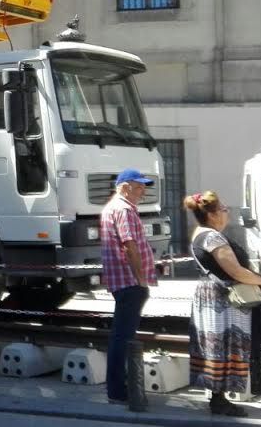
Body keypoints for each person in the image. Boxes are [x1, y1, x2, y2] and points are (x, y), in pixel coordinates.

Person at [183, 191, 261, 416]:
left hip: (212, 297)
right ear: (211, 215)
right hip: (223, 300)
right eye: (223, 209)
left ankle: (218, 397)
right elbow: (235, 270)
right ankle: (219, 400)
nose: (227, 212)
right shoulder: (212, 237)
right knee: (225, 345)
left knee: (216, 346)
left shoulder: (200, 234)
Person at [100, 168, 157, 403]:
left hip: (122, 281)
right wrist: (141, 278)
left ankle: (117, 386)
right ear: (124, 187)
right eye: (139, 186)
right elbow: (129, 245)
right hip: (130, 281)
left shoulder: (113, 208)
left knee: (120, 336)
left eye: (144, 186)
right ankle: (118, 389)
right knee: (124, 337)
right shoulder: (123, 210)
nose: (143, 191)